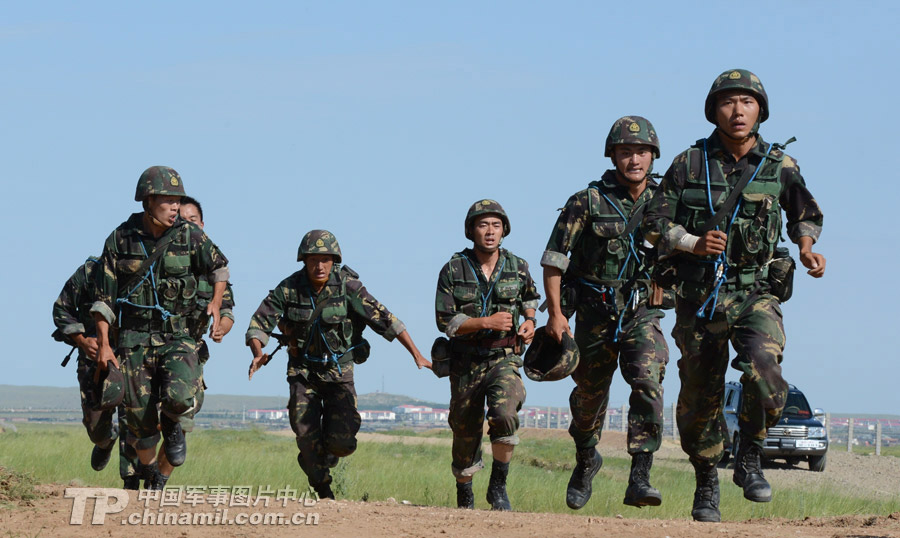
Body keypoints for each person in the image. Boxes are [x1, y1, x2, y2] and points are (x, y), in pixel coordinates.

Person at [642, 69, 826, 522]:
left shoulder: (778, 165)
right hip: (699, 296)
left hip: (755, 291)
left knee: (768, 376)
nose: (737, 110)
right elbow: (652, 223)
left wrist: (807, 249)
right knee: (699, 398)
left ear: (760, 110)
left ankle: (749, 455)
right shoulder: (689, 163)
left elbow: (805, 212)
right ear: (714, 110)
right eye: (728, 102)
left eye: (747, 101)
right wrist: (691, 242)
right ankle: (707, 481)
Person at [541, 116, 670, 510]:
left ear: (653, 156)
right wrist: (556, 315)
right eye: (626, 151)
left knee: (648, 382)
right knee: (588, 398)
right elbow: (554, 261)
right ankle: (585, 458)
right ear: (613, 155)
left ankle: (640, 475)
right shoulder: (587, 201)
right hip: (595, 315)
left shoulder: (667, 200)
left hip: (642, 314)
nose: (634, 159)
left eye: (642, 152)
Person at [246, 229, 431, 500]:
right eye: (312, 259)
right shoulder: (289, 288)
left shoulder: (349, 287)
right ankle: (324, 491)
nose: (319, 266)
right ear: (303, 261)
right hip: (303, 371)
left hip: (338, 373)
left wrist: (415, 353)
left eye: (325, 259)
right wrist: (257, 351)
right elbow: (259, 322)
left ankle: (327, 454)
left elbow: (387, 319)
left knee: (343, 443)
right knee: (305, 434)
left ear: (334, 260)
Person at [91, 166, 230, 489]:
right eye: (167, 201)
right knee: (137, 422)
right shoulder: (120, 238)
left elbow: (220, 267)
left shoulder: (190, 235)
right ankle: (150, 472)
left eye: (177, 201)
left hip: (178, 334)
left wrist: (216, 302)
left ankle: (173, 424)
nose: (174, 207)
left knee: (180, 397)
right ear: (148, 201)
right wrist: (105, 345)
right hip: (134, 338)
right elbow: (102, 300)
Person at [435, 200, 540, 511]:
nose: (490, 231)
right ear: (472, 231)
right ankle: (464, 491)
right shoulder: (453, 269)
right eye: (483, 225)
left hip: (503, 358)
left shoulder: (518, 266)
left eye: (495, 225)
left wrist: (530, 321)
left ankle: (498, 486)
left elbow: (530, 296)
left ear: (504, 230)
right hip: (465, 361)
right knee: (465, 433)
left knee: (505, 413)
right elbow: (445, 320)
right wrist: (485, 322)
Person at [52, 257, 128, 478]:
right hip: (94, 358)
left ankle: (133, 481)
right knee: (95, 428)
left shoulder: (148, 271)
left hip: (133, 354)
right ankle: (105, 442)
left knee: (136, 420)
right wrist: (82, 341)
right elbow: (61, 309)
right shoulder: (89, 271)